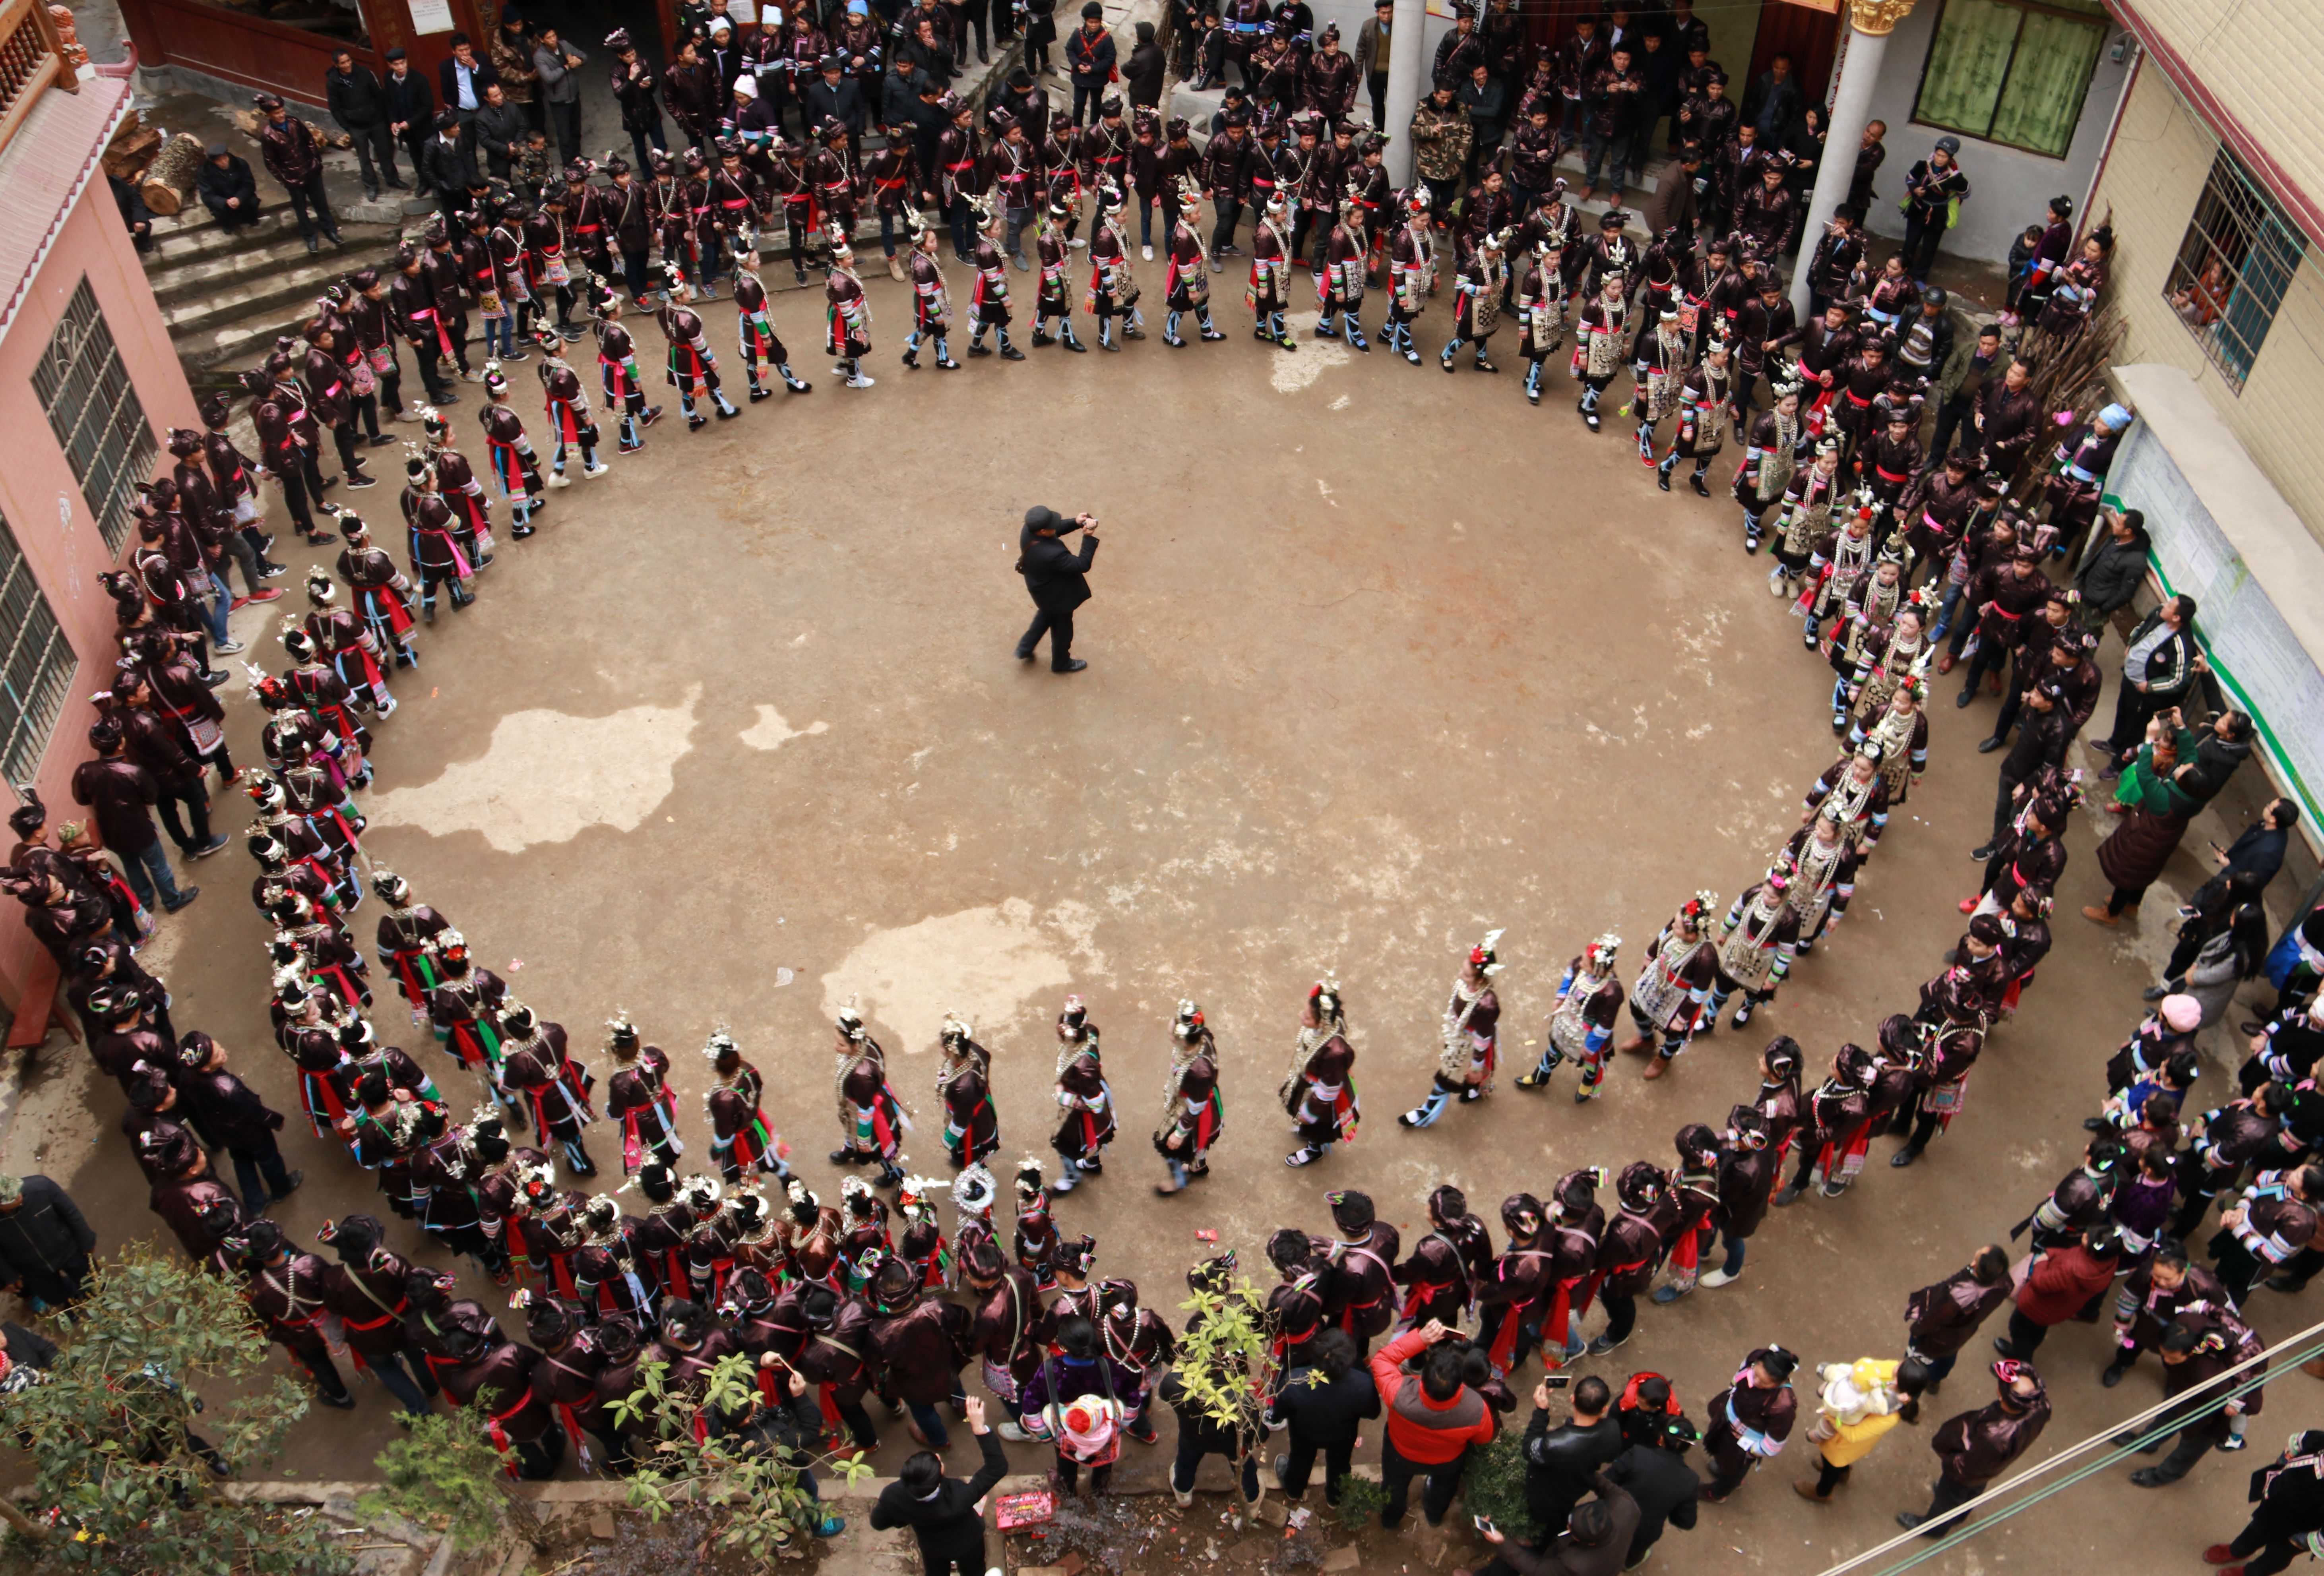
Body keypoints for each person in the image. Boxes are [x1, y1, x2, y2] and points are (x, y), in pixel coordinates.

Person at [1370, 1318, 1499, 1530]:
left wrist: (1420, 1339)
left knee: (1394, 1487)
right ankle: (1434, 1516)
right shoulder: (1477, 1408)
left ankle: (1390, 1520)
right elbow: (1484, 1438)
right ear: (1461, 1383)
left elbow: (1382, 1360)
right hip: (1447, 1461)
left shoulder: (1399, 1394)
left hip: (1400, 1454)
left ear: (1422, 1377)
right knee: (1443, 1488)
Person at [1897, 1360, 2049, 1538]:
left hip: (1967, 1470)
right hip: (1991, 1466)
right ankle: (1961, 1515)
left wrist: (1950, 1461)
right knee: (1976, 1487)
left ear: (2002, 1396)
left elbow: (1965, 1468)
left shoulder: (1994, 1436)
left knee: (1947, 1499)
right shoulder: (2041, 1408)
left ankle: (1933, 1529)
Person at [870, 1395, 1006, 1576]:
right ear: (938, 1479)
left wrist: (905, 1516)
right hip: (967, 1542)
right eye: (938, 1462)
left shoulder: (893, 1496)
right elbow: (997, 1468)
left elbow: (878, 1523)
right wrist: (979, 1428)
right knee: (974, 1571)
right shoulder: (959, 1496)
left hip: (932, 1546)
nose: (939, 1457)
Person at [1266, 1326, 1379, 1506]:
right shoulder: (1364, 1385)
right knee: (1340, 1466)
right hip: (1343, 1436)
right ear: (1350, 1360)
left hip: (1304, 1433)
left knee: (1300, 1461)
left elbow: (1279, 1412)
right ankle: (1335, 1498)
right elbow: (1373, 1413)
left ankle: (1294, 1490)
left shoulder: (1294, 1380)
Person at [1794, 1357, 1927, 1502]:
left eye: (1900, 1366)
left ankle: (1822, 1493)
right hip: (1844, 1437)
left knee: (1832, 1465)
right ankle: (1843, 1474)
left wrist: (1832, 1414)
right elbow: (1864, 1369)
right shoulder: (1893, 1371)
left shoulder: (1892, 1417)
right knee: (1836, 1463)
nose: (1897, 1364)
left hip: (1844, 1444)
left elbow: (1854, 1435)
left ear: (1899, 1380)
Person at [2207, 1429, 2324, 1576]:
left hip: (2299, 1529)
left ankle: (2251, 1573)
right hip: (2275, 1504)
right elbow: (2299, 1441)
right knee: (2255, 1530)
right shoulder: (2320, 1441)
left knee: (2277, 1556)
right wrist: (2283, 1461)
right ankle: (2238, 1551)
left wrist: (2301, 1540)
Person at [1994, 1227, 2121, 1359]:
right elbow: (2069, 1256)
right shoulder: (2110, 1260)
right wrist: (2050, 1253)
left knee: (2019, 1331)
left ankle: (2019, 1362)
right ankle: (2026, 1350)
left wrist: (2042, 1261)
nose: (2085, 1234)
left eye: (2089, 1237)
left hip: (2035, 1308)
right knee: (2037, 1331)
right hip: (2056, 1310)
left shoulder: (2070, 1271)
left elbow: (2039, 1283)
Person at [1014, 506, 1100, 673]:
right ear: (1043, 531)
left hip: (1042, 590)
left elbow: (1055, 530)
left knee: (1046, 615)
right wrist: (1088, 537)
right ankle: (1061, 663)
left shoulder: (1029, 530)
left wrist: (1076, 522)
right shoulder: (1051, 554)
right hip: (1058, 598)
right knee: (1063, 631)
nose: (1056, 526)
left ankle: (1025, 648)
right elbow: (1081, 565)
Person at [0, 1173, 95, 1312]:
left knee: (91, 1279)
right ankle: (72, 1300)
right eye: (12, 1198)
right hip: (32, 1267)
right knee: (55, 1296)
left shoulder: (42, 1187)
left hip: (68, 1249)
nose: (19, 1196)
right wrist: (10, 1276)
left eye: (17, 1190)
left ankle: (101, 1300)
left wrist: (87, 1240)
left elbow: (71, 1213)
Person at [1898, 136, 1968, 285]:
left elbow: (1965, 193)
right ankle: (1902, 273)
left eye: (1944, 156)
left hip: (1938, 216)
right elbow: (1910, 179)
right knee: (1910, 244)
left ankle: (1919, 276)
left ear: (1950, 158)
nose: (1940, 159)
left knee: (1930, 248)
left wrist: (1954, 196)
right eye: (1938, 154)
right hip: (1918, 210)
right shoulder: (1923, 166)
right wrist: (1915, 190)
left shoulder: (1954, 176)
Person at [533, 27, 585, 163]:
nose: (553, 39)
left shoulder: (564, 45)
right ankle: (568, 164)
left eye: (554, 35)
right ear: (541, 40)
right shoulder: (540, 57)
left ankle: (577, 156)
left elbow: (584, 56)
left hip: (573, 94)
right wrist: (567, 67)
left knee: (576, 129)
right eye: (549, 38)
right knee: (564, 134)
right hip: (559, 101)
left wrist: (579, 61)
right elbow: (549, 78)